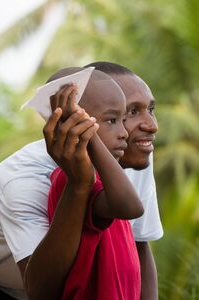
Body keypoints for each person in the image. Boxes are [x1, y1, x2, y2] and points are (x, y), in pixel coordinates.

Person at [0, 62, 162, 300]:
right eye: (132, 112)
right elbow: (41, 291)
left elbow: (139, 243)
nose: (151, 126)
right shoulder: (24, 180)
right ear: (76, 120)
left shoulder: (126, 153)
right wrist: (81, 180)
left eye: (150, 109)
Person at [47, 67, 144, 299]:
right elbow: (131, 207)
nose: (124, 133)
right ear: (73, 123)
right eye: (111, 120)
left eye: (123, 120)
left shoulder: (107, 176)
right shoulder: (74, 178)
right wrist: (88, 137)